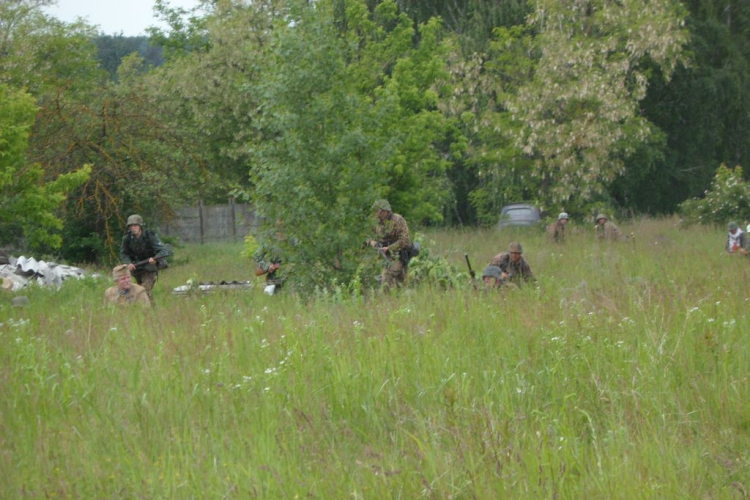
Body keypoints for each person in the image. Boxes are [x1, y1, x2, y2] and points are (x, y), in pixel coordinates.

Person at [119, 214, 170, 303]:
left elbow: (163, 250)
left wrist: (155, 258)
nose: (133, 228)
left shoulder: (150, 236)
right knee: (141, 291)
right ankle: (152, 310)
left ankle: (149, 310)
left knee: (143, 290)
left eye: (135, 225)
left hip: (149, 268)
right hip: (136, 269)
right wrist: (128, 263)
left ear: (140, 226)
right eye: (131, 226)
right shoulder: (127, 238)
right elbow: (124, 254)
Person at [367, 199, 413, 289]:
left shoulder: (397, 220)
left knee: (387, 275)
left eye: (377, 210)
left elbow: (405, 240)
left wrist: (389, 248)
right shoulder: (376, 222)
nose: (375, 213)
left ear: (384, 211)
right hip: (387, 255)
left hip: (400, 254)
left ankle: (386, 300)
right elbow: (367, 235)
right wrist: (371, 241)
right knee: (399, 283)